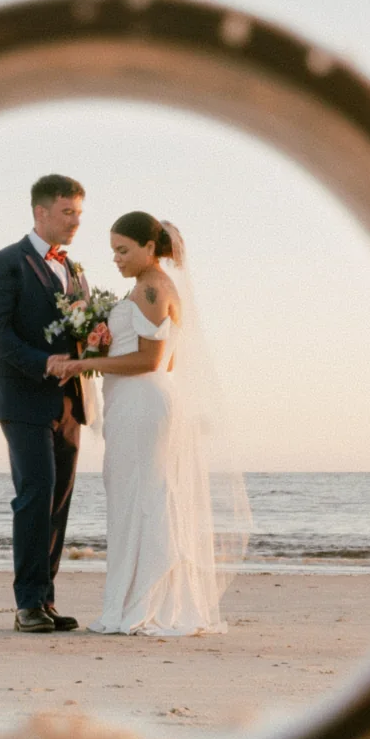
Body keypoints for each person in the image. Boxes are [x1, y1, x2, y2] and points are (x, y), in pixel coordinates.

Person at [52, 212, 244, 635]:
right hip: (130, 401)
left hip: (143, 404)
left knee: (145, 498)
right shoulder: (142, 288)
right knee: (129, 495)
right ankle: (135, 599)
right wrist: (106, 342)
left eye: (123, 250)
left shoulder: (155, 288)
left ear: (149, 248)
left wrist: (85, 361)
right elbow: (162, 355)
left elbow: (155, 361)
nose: (116, 259)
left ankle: (149, 602)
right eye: (113, 251)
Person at [0, 174, 89, 633]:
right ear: (40, 213)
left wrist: (94, 340)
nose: (75, 222)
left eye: (80, 213)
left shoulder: (76, 270)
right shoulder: (5, 263)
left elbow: (79, 330)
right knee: (34, 495)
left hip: (69, 403)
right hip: (22, 397)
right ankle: (26, 604)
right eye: (67, 212)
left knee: (58, 501)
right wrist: (45, 364)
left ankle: (45, 600)